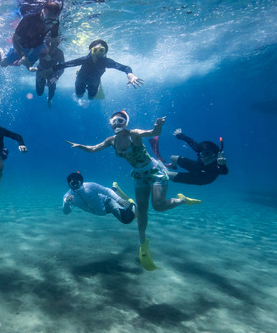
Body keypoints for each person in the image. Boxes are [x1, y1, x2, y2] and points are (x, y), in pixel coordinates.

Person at [66, 111, 200, 271]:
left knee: (158, 206)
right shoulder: (111, 140)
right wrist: (79, 146)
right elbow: (94, 149)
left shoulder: (134, 134)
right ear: (110, 124)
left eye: (120, 120)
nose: (116, 123)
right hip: (139, 174)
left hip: (154, 171)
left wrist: (158, 126)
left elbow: (153, 133)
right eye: (113, 121)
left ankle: (182, 200)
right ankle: (143, 244)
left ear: (125, 122)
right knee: (142, 210)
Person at [52, 39, 143, 100]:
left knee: (91, 98)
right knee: (79, 96)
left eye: (101, 50)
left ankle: (98, 86)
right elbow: (64, 65)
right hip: (81, 80)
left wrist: (130, 75)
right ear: (90, 52)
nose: (97, 54)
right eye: (95, 50)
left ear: (105, 52)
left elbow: (125, 68)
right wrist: (50, 71)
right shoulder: (85, 60)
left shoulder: (107, 62)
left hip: (94, 82)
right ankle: (77, 75)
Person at [0, 1, 62, 70]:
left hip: (39, 46)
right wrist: (21, 56)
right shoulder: (29, 20)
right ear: (43, 12)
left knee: (29, 65)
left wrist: (49, 53)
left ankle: (20, 62)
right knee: (3, 63)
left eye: (54, 21)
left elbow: (54, 40)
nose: (50, 24)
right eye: (48, 20)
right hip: (22, 46)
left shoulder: (54, 22)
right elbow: (15, 39)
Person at [149, 129, 228, 185]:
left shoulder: (218, 163)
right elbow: (192, 142)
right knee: (173, 157)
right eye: (203, 154)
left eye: (210, 155)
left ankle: (166, 170)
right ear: (199, 153)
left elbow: (224, 172)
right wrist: (181, 135)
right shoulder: (199, 150)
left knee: (168, 175)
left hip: (201, 178)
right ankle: (173, 166)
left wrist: (222, 165)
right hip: (197, 167)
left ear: (215, 155)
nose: (206, 158)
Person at [63, 172, 136, 224]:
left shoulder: (90, 186)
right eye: (72, 183)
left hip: (107, 202)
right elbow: (66, 212)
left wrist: (119, 199)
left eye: (76, 182)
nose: (74, 185)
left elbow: (106, 190)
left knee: (126, 219)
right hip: (102, 211)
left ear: (81, 182)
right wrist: (67, 202)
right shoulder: (67, 197)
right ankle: (114, 188)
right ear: (69, 184)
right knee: (110, 193)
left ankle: (132, 204)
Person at [29, 41, 65, 107]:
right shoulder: (41, 50)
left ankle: (49, 99)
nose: (53, 48)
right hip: (40, 71)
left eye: (56, 45)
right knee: (39, 93)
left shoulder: (59, 52)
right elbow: (30, 63)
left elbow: (62, 67)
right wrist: (30, 68)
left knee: (52, 91)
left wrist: (56, 77)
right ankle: (46, 83)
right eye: (51, 47)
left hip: (53, 73)